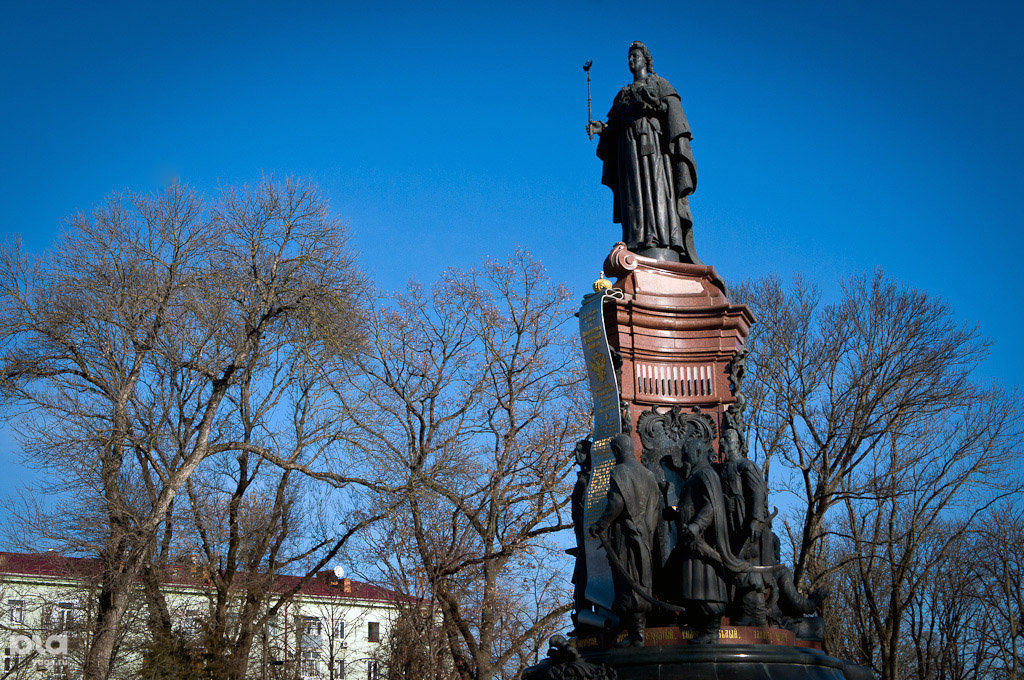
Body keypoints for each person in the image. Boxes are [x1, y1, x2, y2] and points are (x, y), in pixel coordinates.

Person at [589, 41, 700, 264]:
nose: (631, 60)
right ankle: (636, 238)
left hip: (653, 144)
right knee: (634, 190)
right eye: (629, 57)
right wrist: (602, 128)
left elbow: (673, 113)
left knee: (655, 186)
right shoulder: (623, 94)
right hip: (629, 148)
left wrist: (656, 104)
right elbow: (613, 125)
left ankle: (661, 237)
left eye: (635, 56)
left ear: (646, 60)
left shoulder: (659, 84)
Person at [589, 434, 661, 646]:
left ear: (617, 451)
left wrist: (600, 524)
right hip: (644, 536)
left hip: (626, 536)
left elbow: (616, 502)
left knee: (628, 581)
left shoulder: (619, 471)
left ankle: (636, 634)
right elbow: (655, 508)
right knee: (640, 580)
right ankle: (633, 629)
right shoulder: (648, 474)